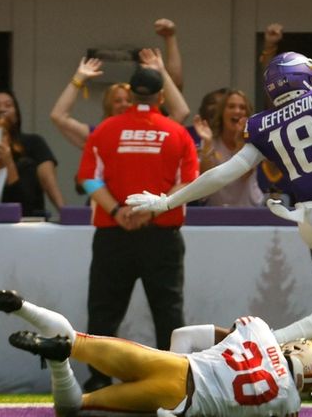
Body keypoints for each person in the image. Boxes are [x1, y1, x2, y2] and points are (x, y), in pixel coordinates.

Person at [127, 51, 312, 383]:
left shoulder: (262, 123)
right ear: (304, 76)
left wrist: (168, 201)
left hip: (309, 218)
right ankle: (256, 343)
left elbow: (222, 174)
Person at [0, 289, 312, 417]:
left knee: (78, 338)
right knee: (73, 409)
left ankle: (18, 305)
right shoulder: (286, 405)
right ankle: (58, 361)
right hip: (179, 401)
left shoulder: (260, 331)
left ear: (298, 349)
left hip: (173, 363)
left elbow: (191, 333)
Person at [76, 66, 198, 392]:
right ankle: (171, 382)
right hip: (162, 234)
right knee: (168, 312)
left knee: (104, 310)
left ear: (130, 94)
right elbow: (188, 182)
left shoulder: (104, 130)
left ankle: (99, 381)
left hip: (113, 233)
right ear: (161, 96)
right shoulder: (177, 133)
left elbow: (88, 178)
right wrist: (150, 210)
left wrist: (117, 211)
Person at [50, 21, 190, 150]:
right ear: (108, 106)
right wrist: (78, 79)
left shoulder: (155, 130)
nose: (124, 104)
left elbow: (181, 111)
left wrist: (161, 70)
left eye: (128, 100)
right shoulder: (101, 133)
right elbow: (59, 116)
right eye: (117, 101)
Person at [0, 91, 65, 216]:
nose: (2, 109)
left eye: (8, 105)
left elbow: (46, 183)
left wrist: (65, 213)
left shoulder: (30, 151)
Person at [194, 89, 264, 207]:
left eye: (242, 108)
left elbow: (243, 175)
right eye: (231, 106)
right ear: (222, 112)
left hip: (250, 210)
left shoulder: (252, 141)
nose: (237, 111)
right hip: (216, 211)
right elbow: (205, 180)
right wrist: (207, 144)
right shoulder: (210, 140)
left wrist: (239, 141)